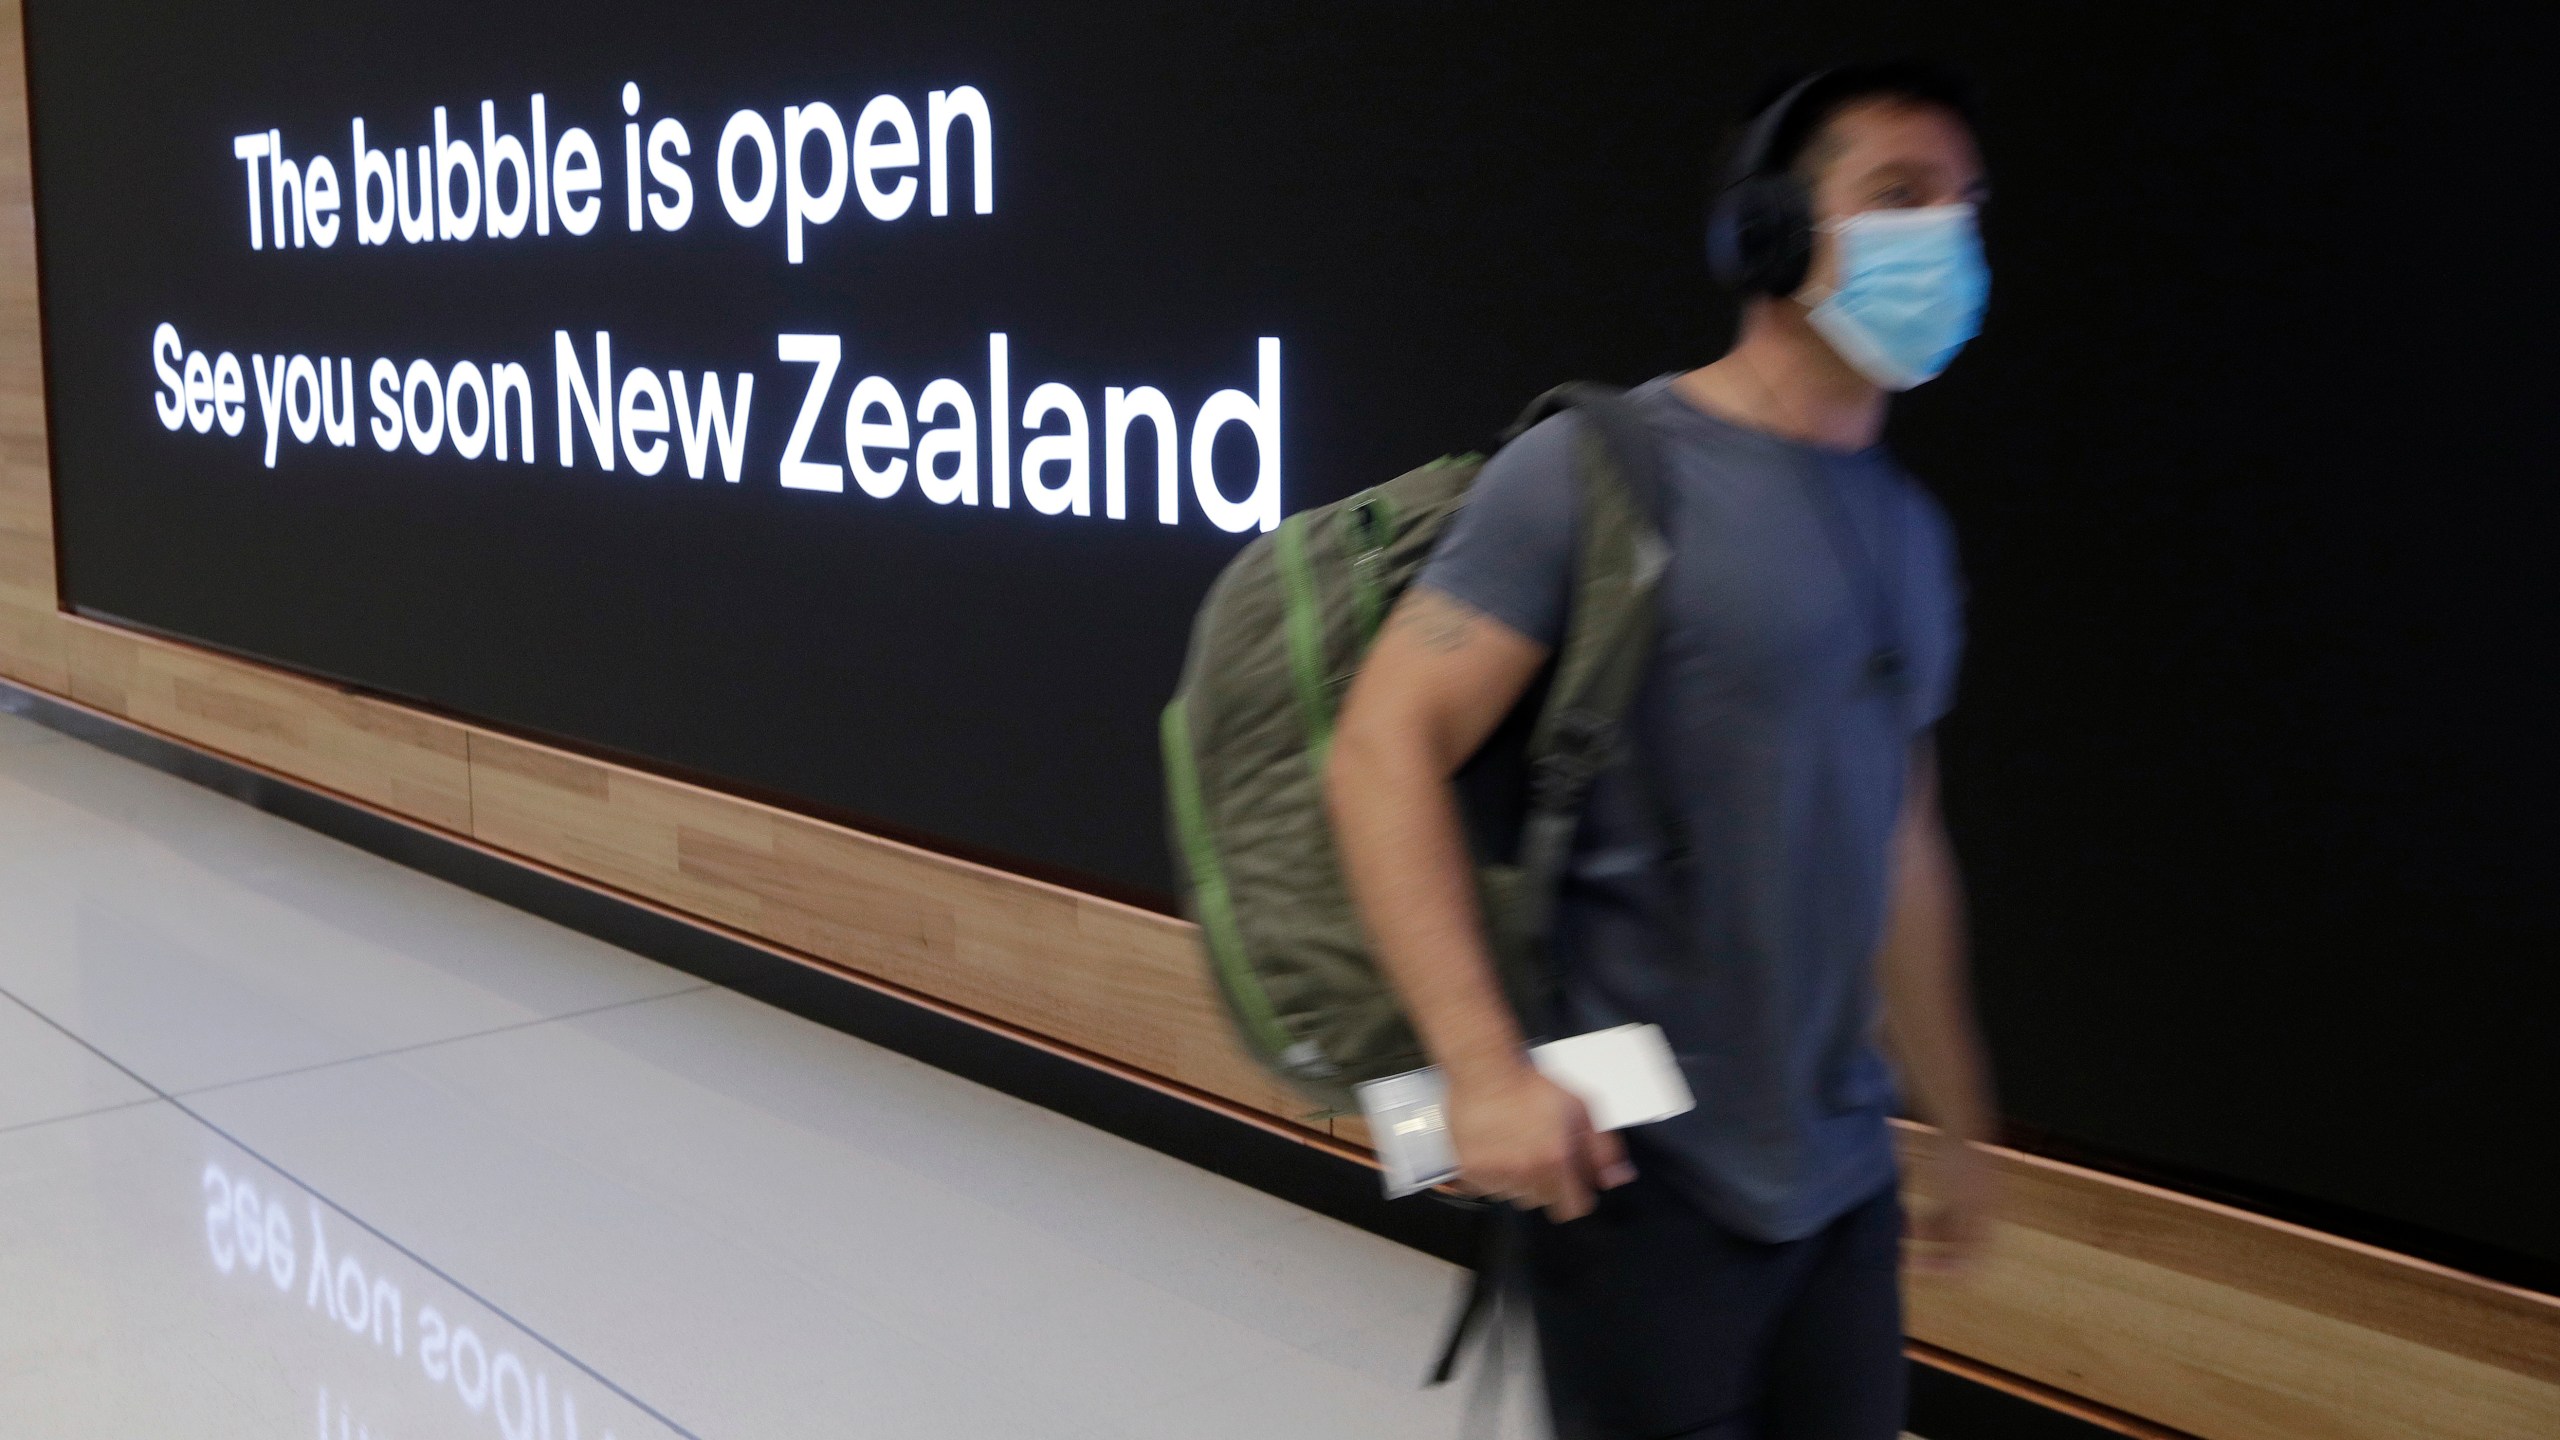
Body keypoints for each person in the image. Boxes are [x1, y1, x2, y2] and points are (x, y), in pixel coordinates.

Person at [1325, 61, 2000, 1439]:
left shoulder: (1913, 536)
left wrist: (1961, 1119)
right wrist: (1483, 1071)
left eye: (1966, 206)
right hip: (1644, 1181)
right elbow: (1382, 746)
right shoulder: (1600, 475)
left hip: (1842, 1182)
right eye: (1898, 195)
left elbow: (1902, 840)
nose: (1946, 236)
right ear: (1770, 235)